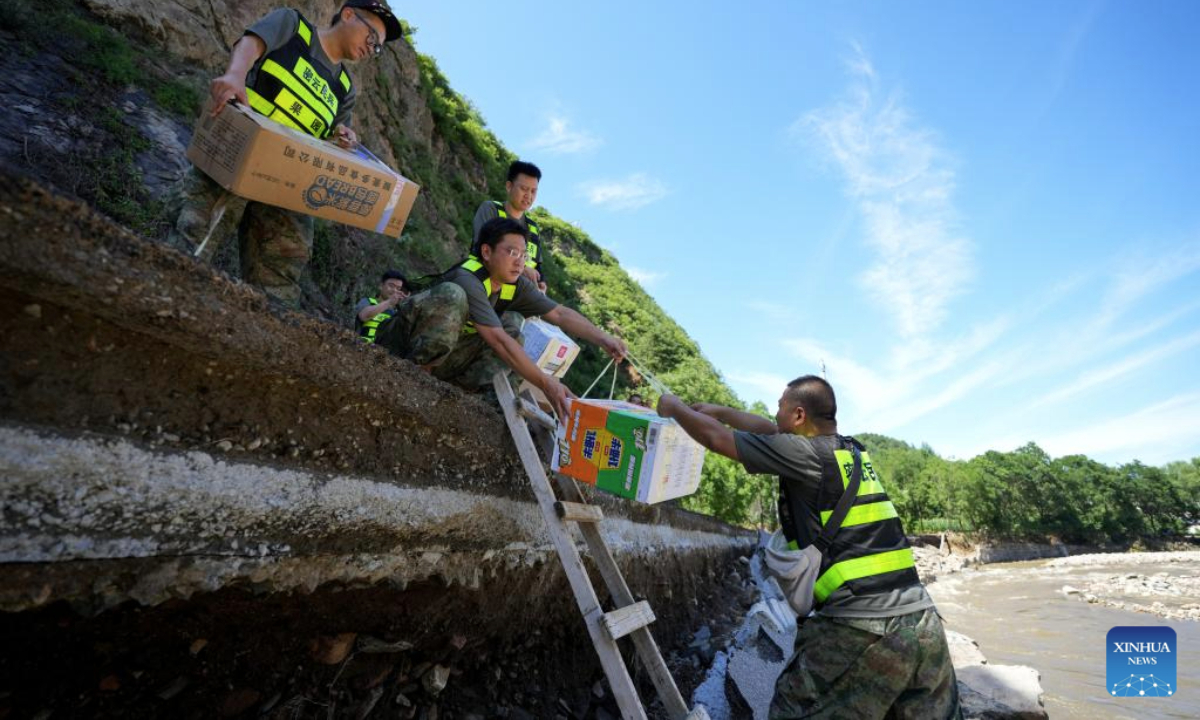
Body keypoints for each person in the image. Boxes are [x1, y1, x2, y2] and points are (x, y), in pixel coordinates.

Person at [656, 376, 961, 720]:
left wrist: (675, 409)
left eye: (780, 409)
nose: (775, 415)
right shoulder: (852, 451)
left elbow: (717, 438)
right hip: (923, 621)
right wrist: (721, 410)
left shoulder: (806, 455)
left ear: (799, 415)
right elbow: (769, 431)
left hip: (863, 627)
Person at [169, 1, 404, 307]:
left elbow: (331, 137)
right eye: (371, 38)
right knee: (192, 235)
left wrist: (342, 138)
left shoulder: (345, 88)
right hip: (240, 153)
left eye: (377, 48)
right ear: (348, 15)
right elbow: (251, 43)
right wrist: (235, 76)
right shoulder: (293, 26)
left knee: (282, 270)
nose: (371, 49)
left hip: (287, 183)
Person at [375, 217, 625, 418]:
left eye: (523, 255)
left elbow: (559, 313)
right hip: (400, 344)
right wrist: (546, 383)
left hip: (449, 359)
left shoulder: (514, 285)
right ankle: (412, 380)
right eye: (511, 252)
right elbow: (496, 339)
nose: (519, 262)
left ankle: (480, 407)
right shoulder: (468, 278)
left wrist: (603, 338)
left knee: (513, 322)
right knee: (454, 296)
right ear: (486, 251)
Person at [471, 161, 546, 291]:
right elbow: (482, 249)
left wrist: (541, 283)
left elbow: (537, 265)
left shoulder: (533, 228)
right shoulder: (490, 209)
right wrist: (523, 269)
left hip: (517, 297)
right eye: (524, 189)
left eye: (533, 191)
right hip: (483, 285)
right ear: (509, 186)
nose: (528, 195)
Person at [355, 269, 409, 343]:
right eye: (391, 286)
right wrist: (389, 302)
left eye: (398, 288)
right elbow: (364, 316)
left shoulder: (397, 312)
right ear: (381, 286)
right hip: (360, 348)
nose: (394, 291)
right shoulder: (367, 301)